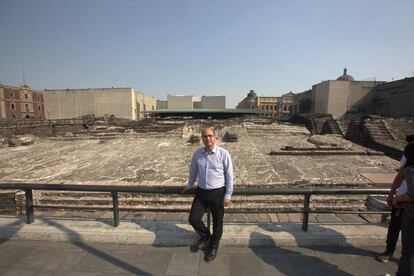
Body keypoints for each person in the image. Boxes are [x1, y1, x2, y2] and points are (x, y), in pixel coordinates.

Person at [183, 127, 233, 262]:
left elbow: (229, 176)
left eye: (210, 136)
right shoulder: (197, 154)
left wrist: (228, 195)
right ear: (202, 138)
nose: (208, 138)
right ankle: (206, 236)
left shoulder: (223, 154)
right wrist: (189, 185)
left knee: (217, 222)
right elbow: (193, 171)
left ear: (215, 137)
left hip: (218, 192)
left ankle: (213, 245)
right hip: (201, 191)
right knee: (193, 218)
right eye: (205, 136)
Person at [376, 134, 414, 263]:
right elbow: (400, 175)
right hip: (402, 198)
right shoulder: (410, 155)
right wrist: (392, 194)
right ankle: (390, 251)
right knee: (395, 226)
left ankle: (406, 258)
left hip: (405, 199)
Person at [393, 142, 414, 275]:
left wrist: (397, 198)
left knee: (408, 252)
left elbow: (412, 194)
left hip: (411, 214)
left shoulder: (410, 170)